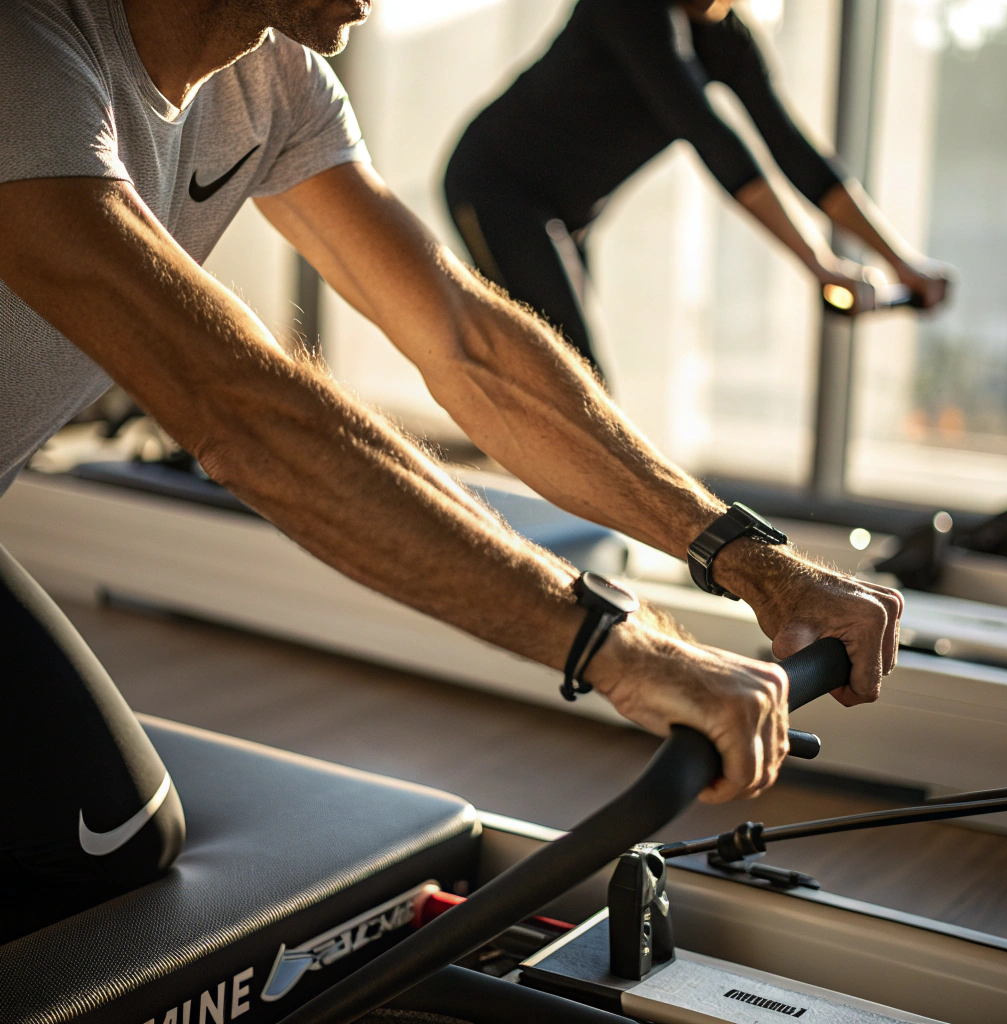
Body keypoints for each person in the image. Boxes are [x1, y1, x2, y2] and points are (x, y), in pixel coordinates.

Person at [0, 0, 902, 903]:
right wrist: (624, 650)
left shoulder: (272, 81)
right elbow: (242, 411)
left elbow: (469, 344)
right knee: (97, 848)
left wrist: (752, 559)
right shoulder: (26, 54)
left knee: (115, 845)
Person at [444, 0, 952, 376]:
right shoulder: (631, 9)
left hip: (565, 217)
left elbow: (794, 151)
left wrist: (901, 262)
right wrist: (820, 264)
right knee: (577, 380)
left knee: (565, 381)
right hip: (495, 186)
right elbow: (715, 141)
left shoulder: (726, 33)